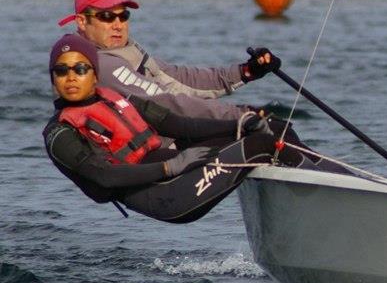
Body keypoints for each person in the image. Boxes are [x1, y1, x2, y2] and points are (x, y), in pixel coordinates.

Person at [42, 34, 313, 223]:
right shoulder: (59, 133)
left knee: (270, 129)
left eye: (80, 69)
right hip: (166, 195)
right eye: (62, 71)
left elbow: (179, 125)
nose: (71, 78)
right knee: (261, 146)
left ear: (95, 74)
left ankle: (327, 186)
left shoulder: (116, 98)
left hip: (177, 168)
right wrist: (169, 168)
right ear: (53, 77)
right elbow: (104, 177)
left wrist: (240, 122)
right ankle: (323, 196)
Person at [57, 0, 279, 121]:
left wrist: (246, 71)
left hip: (175, 131)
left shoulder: (127, 49)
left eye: (123, 16)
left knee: (271, 129)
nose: (118, 24)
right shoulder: (100, 64)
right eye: (107, 16)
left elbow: (180, 79)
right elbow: (165, 101)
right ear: (81, 22)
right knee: (267, 130)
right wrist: (240, 115)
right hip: (159, 154)